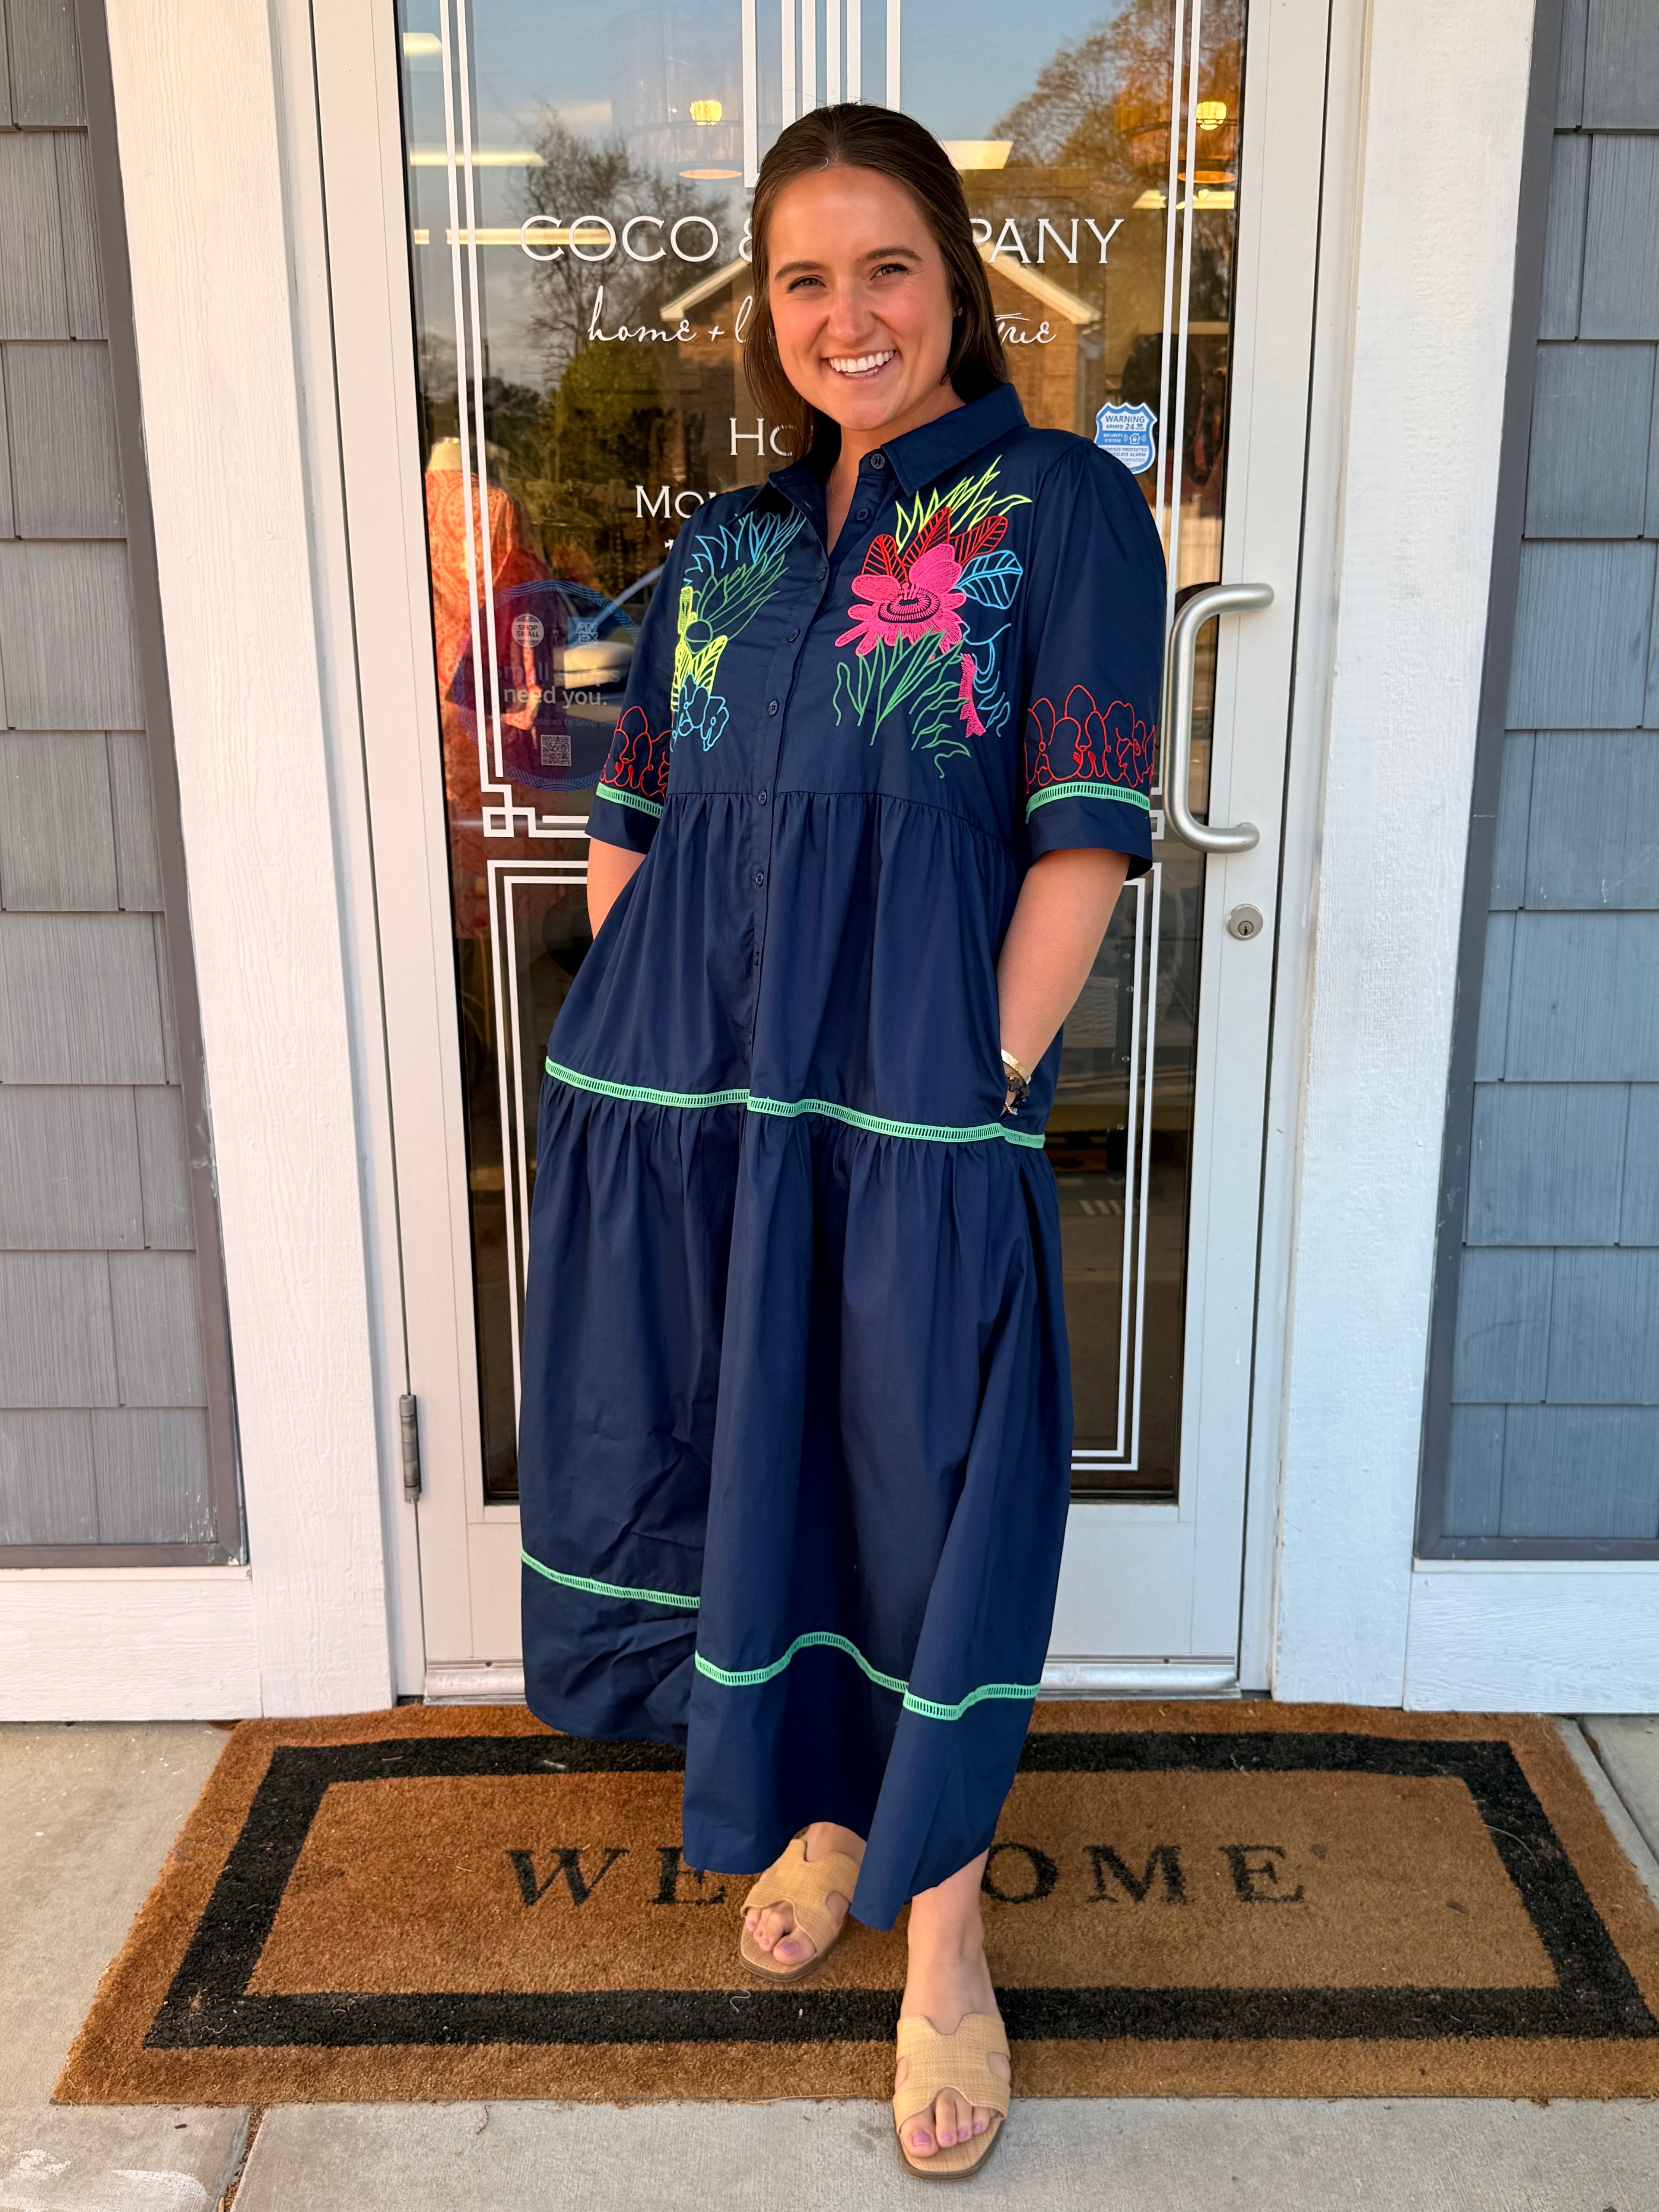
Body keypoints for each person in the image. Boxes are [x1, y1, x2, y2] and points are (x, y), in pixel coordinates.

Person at [518, 102, 1164, 2177]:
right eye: (805, 277)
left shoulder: (1065, 510)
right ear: (767, 313)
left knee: (925, 1500)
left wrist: (971, 1071)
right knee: (755, 1474)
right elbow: (635, 829)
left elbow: (1084, 838)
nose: (846, 313)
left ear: (955, 280)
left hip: (910, 1120)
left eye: (886, 267)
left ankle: (947, 1941)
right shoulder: (721, 547)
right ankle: (814, 1811)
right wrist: (667, 1056)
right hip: (705, 1122)